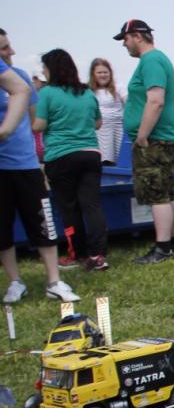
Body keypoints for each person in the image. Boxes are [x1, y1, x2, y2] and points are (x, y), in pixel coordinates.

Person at [0, 29, 79, 303]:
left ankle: (54, 281)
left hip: (25, 164)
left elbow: (35, 121)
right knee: (2, 228)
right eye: (4, 48)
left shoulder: (21, 78)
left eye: (9, 45)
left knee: (43, 223)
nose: (11, 52)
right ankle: (15, 282)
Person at [32, 49, 109, 271]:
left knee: (69, 207)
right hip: (90, 153)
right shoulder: (87, 93)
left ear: (52, 69)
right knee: (92, 206)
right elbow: (97, 124)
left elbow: (39, 125)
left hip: (61, 155)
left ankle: (77, 254)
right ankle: (98, 255)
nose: (44, 72)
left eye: (45, 68)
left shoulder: (47, 93)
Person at [115, 18, 174, 263]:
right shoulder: (157, 59)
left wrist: (142, 134)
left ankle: (162, 248)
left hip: (153, 139)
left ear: (137, 36)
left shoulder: (151, 60)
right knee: (167, 191)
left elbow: (156, 101)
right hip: (163, 138)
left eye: (125, 39)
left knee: (157, 195)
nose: (124, 44)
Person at [88, 58, 125, 165]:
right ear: (93, 74)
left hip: (118, 129)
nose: (103, 75)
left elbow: (128, 100)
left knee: (119, 160)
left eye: (105, 72)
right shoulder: (88, 91)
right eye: (99, 72)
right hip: (97, 131)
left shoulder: (118, 87)